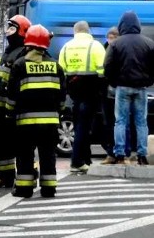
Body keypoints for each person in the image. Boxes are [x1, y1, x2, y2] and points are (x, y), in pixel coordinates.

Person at [6, 24, 66, 198]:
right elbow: (62, 96)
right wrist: (58, 112)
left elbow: (12, 95)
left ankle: (24, 189)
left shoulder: (20, 65)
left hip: (26, 123)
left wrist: (9, 113)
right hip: (50, 124)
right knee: (48, 155)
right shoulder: (56, 66)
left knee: (25, 155)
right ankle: (49, 188)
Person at [0, 14, 31, 188]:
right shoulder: (8, 51)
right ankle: (4, 176)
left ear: (22, 32)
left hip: (11, 106)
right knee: (0, 143)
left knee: (16, 144)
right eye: (8, 28)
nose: (8, 32)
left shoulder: (22, 52)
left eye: (12, 28)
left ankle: (21, 175)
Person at [103, 10, 154, 165]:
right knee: (141, 122)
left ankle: (119, 154)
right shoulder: (148, 43)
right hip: (141, 88)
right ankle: (142, 154)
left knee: (120, 121)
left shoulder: (116, 43)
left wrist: (114, 82)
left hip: (122, 87)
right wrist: (148, 81)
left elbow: (108, 66)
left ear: (121, 25)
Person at [57, 21, 106, 173]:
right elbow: (104, 69)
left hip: (74, 91)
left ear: (75, 31)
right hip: (91, 90)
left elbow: (61, 72)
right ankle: (77, 161)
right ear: (88, 31)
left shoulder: (66, 47)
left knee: (80, 124)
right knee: (84, 126)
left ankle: (85, 158)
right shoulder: (95, 46)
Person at [100, 27, 121, 163]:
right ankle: (111, 152)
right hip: (106, 92)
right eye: (110, 37)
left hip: (117, 90)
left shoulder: (118, 49)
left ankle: (118, 152)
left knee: (119, 122)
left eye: (114, 37)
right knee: (109, 123)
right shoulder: (103, 49)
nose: (111, 40)